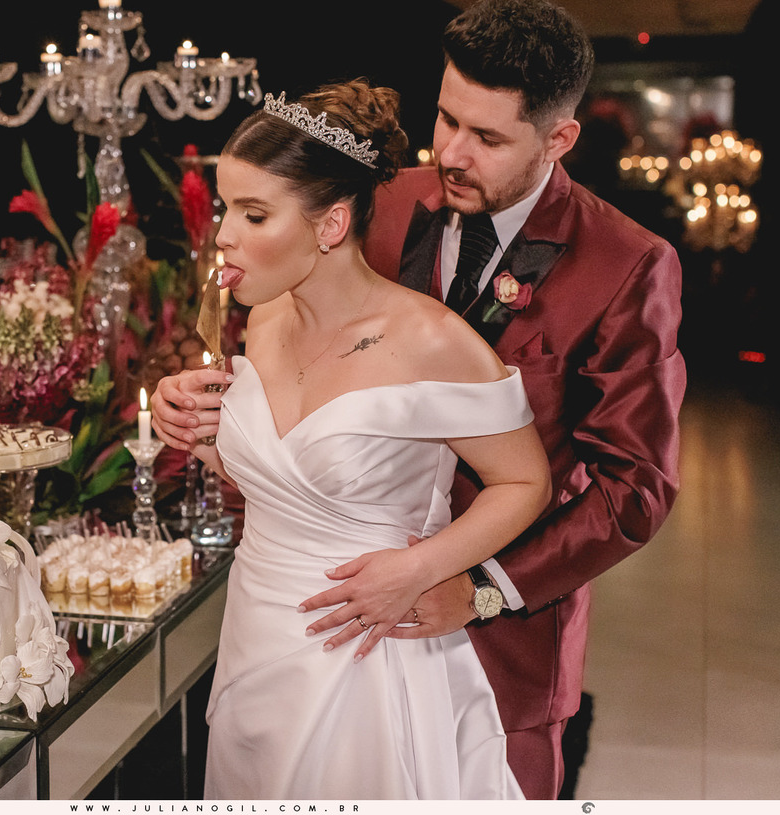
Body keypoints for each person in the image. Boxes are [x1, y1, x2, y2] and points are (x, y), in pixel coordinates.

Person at [301, 0, 686, 799]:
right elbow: (300, 341)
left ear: (559, 139)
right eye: (446, 118)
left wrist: (480, 589)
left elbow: (634, 491)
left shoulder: (629, 265)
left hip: (502, 640)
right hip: (347, 617)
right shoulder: (384, 202)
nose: (450, 152)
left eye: (487, 137)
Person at [150, 81, 552, 798]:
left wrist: (421, 567)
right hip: (256, 640)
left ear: (330, 225)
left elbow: (526, 483)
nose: (223, 236)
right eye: (224, 209)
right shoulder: (264, 317)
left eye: (253, 213)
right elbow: (283, 479)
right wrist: (190, 424)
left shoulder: (431, 341)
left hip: (367, 652)